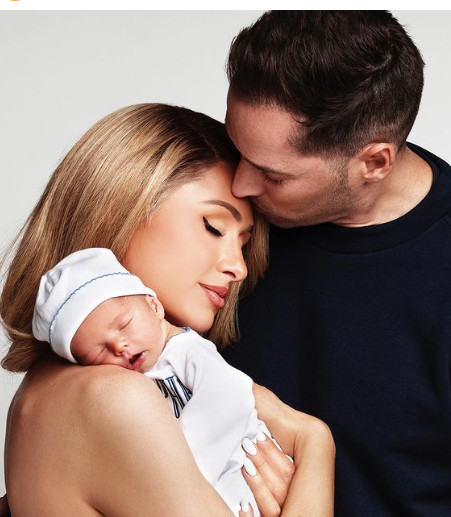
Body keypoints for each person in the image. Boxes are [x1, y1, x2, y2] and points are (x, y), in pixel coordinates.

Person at [1, 103, 335, 517]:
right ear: (119, 210)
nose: (238, 267)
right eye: (213, 226)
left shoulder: (46, 396)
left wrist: (307, 435)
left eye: (243, 242)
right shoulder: (117, 398)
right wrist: (317, 445)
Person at [223, 10, 451, 517]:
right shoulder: (211, 204)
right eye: (237, 149)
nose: (239, 185)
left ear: (374, 162)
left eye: (273, 175)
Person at [31, 246, 283, 516]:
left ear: (154, 306)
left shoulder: (186, 350)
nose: (118, 346)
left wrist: (180, 469)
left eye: (124, 324)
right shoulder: (128, 385)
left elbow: (228, 397)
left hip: (240, 465)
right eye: (98, 352)